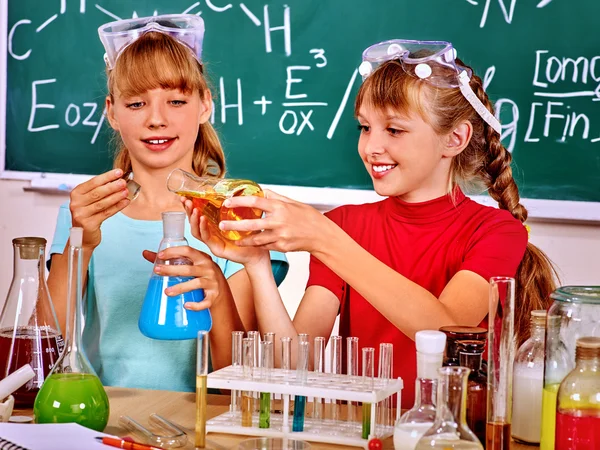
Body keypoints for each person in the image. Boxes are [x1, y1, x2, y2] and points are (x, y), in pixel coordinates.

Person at [188, 39, 557, 407]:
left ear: (455, 138)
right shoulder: (346, 225)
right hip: (363, 435)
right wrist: (258, 265)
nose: (371, 147)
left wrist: (326, 239)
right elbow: (296, 367)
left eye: (394, 130)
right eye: (365, 128)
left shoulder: (498, 231)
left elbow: (444, 331)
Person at [46, 14, 288, 393]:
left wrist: (218, 292)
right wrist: (82, 241)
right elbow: (43, 347)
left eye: (176, 101)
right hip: (101, 416)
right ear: (111, 111)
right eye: (137, 103)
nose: (156, 119)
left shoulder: (237, 213)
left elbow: (240, 379)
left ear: (205, 105)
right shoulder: (83, 213)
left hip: (204, 424)